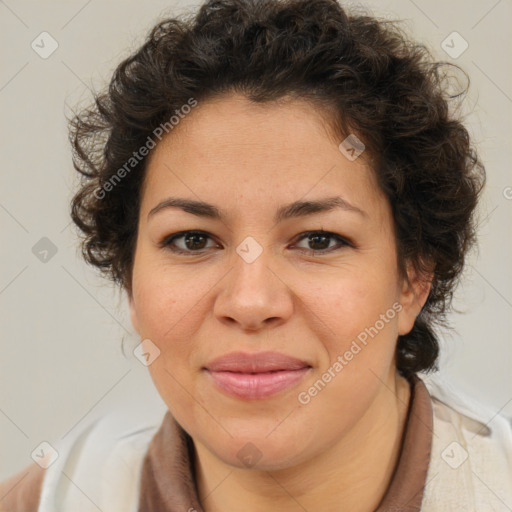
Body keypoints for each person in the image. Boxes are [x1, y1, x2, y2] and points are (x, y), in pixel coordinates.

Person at [1, 0, 511, 510]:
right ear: (130, 279)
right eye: (193, 240)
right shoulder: (50, 499)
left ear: (412, 279)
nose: (250, 302)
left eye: (318, 239)